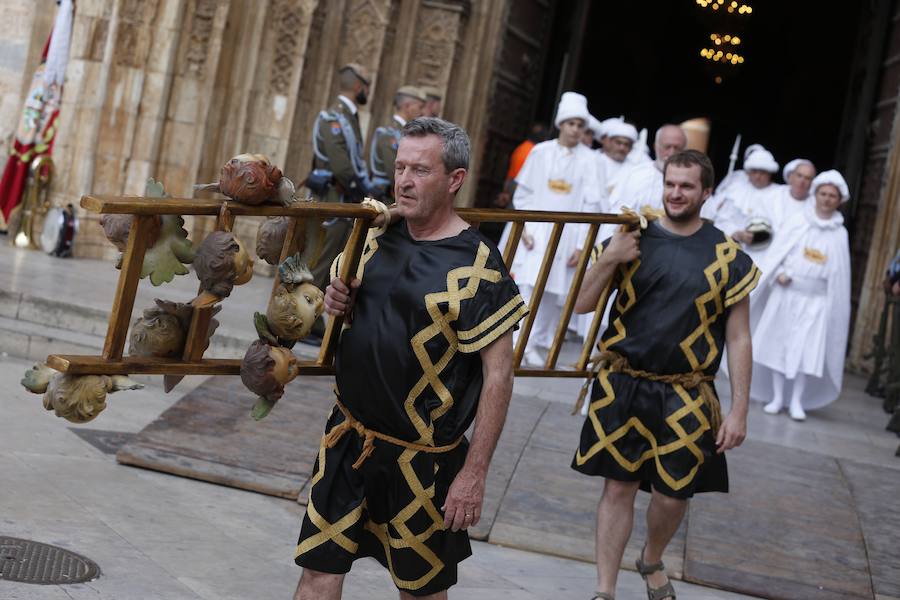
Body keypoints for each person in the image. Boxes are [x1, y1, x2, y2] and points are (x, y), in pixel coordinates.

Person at [293, 117, 527, 600]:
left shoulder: (478, 266)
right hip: (347, 440)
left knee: (420, 592)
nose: (403, 180)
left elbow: (499, 375)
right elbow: (356, 311)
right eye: (400, 167)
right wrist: (341, 303)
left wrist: (474, 474)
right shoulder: (374, 238)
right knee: (317, 576)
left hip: (424, 466)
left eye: (420, 170)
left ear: (454, 180)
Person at [571, 150, 756, 600]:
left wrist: (739, 411)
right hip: (622, 382)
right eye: (671, 184)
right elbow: (581, 304)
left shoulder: (728, 256)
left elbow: (739, 339)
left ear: (707, 193)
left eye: (687, 186)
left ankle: (651, 556)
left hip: (688, 391)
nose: (676, 193)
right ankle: (605, 590)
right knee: (619, 486)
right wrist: (609, 258)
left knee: (674, 495)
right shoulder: (633, 238)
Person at [499, 92, 604, 367]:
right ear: (561, 124)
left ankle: (535, 344)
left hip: (570, 234)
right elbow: (523, 194)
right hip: (537, 229)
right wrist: (525, 229)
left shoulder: (591, 160)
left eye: (580, 125)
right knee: (528, 286)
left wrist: (582, 244)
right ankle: (514, 341)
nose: (575, 129)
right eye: (571, 124)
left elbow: (592, 204)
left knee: (553, 292)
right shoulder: (540, 152)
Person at [750, 170, 851, 421]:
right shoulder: (798, 221)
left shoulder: (839, 233)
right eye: (823, 193)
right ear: (815, 195)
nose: (827, 199)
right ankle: (776, 397)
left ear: (839, 200)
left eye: (832, 195)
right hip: (787, 293)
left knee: (807, 350)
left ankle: (796, 401)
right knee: (778, 344)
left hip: (816, 301)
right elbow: (777, 254)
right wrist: (779, 274)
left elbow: (839, 272)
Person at [302, 63, 377, 341]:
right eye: (366, 86)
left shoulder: (349, 116)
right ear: (358, 86)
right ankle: (303, 319)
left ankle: (313, 318)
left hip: (344, 200)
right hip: (334, 200)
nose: (367, 91)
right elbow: (341, 165)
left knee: (333, 261)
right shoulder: (333, 118)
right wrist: (360, 190)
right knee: (320, 262)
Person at [709, 148, 782, 264]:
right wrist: (735, 232)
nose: (758, 176)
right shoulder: (736, 190)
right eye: (754, 172)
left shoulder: (780, 194)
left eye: (762, 172)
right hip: (731, 252)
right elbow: (721, 220)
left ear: (770, 173)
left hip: (764, 258)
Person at [369, 86, 427, 201]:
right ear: (407, 106)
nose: (422, 112)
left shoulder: (405, 132)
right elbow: (394, 171)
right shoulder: (389, 134)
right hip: (385, 199)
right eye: (420, 107)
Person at [596, 118, 638, 199]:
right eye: (618, 143)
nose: (622, 148)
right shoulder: (593, 161)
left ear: (631, 148)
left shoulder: (634, 169)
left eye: (626, 144)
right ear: (610, 141)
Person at [771, 158, 816, 228]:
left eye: (807, 178)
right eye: (799, 176)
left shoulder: (815, 204)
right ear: (791, 177)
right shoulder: (773, 195)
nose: (802, 181)